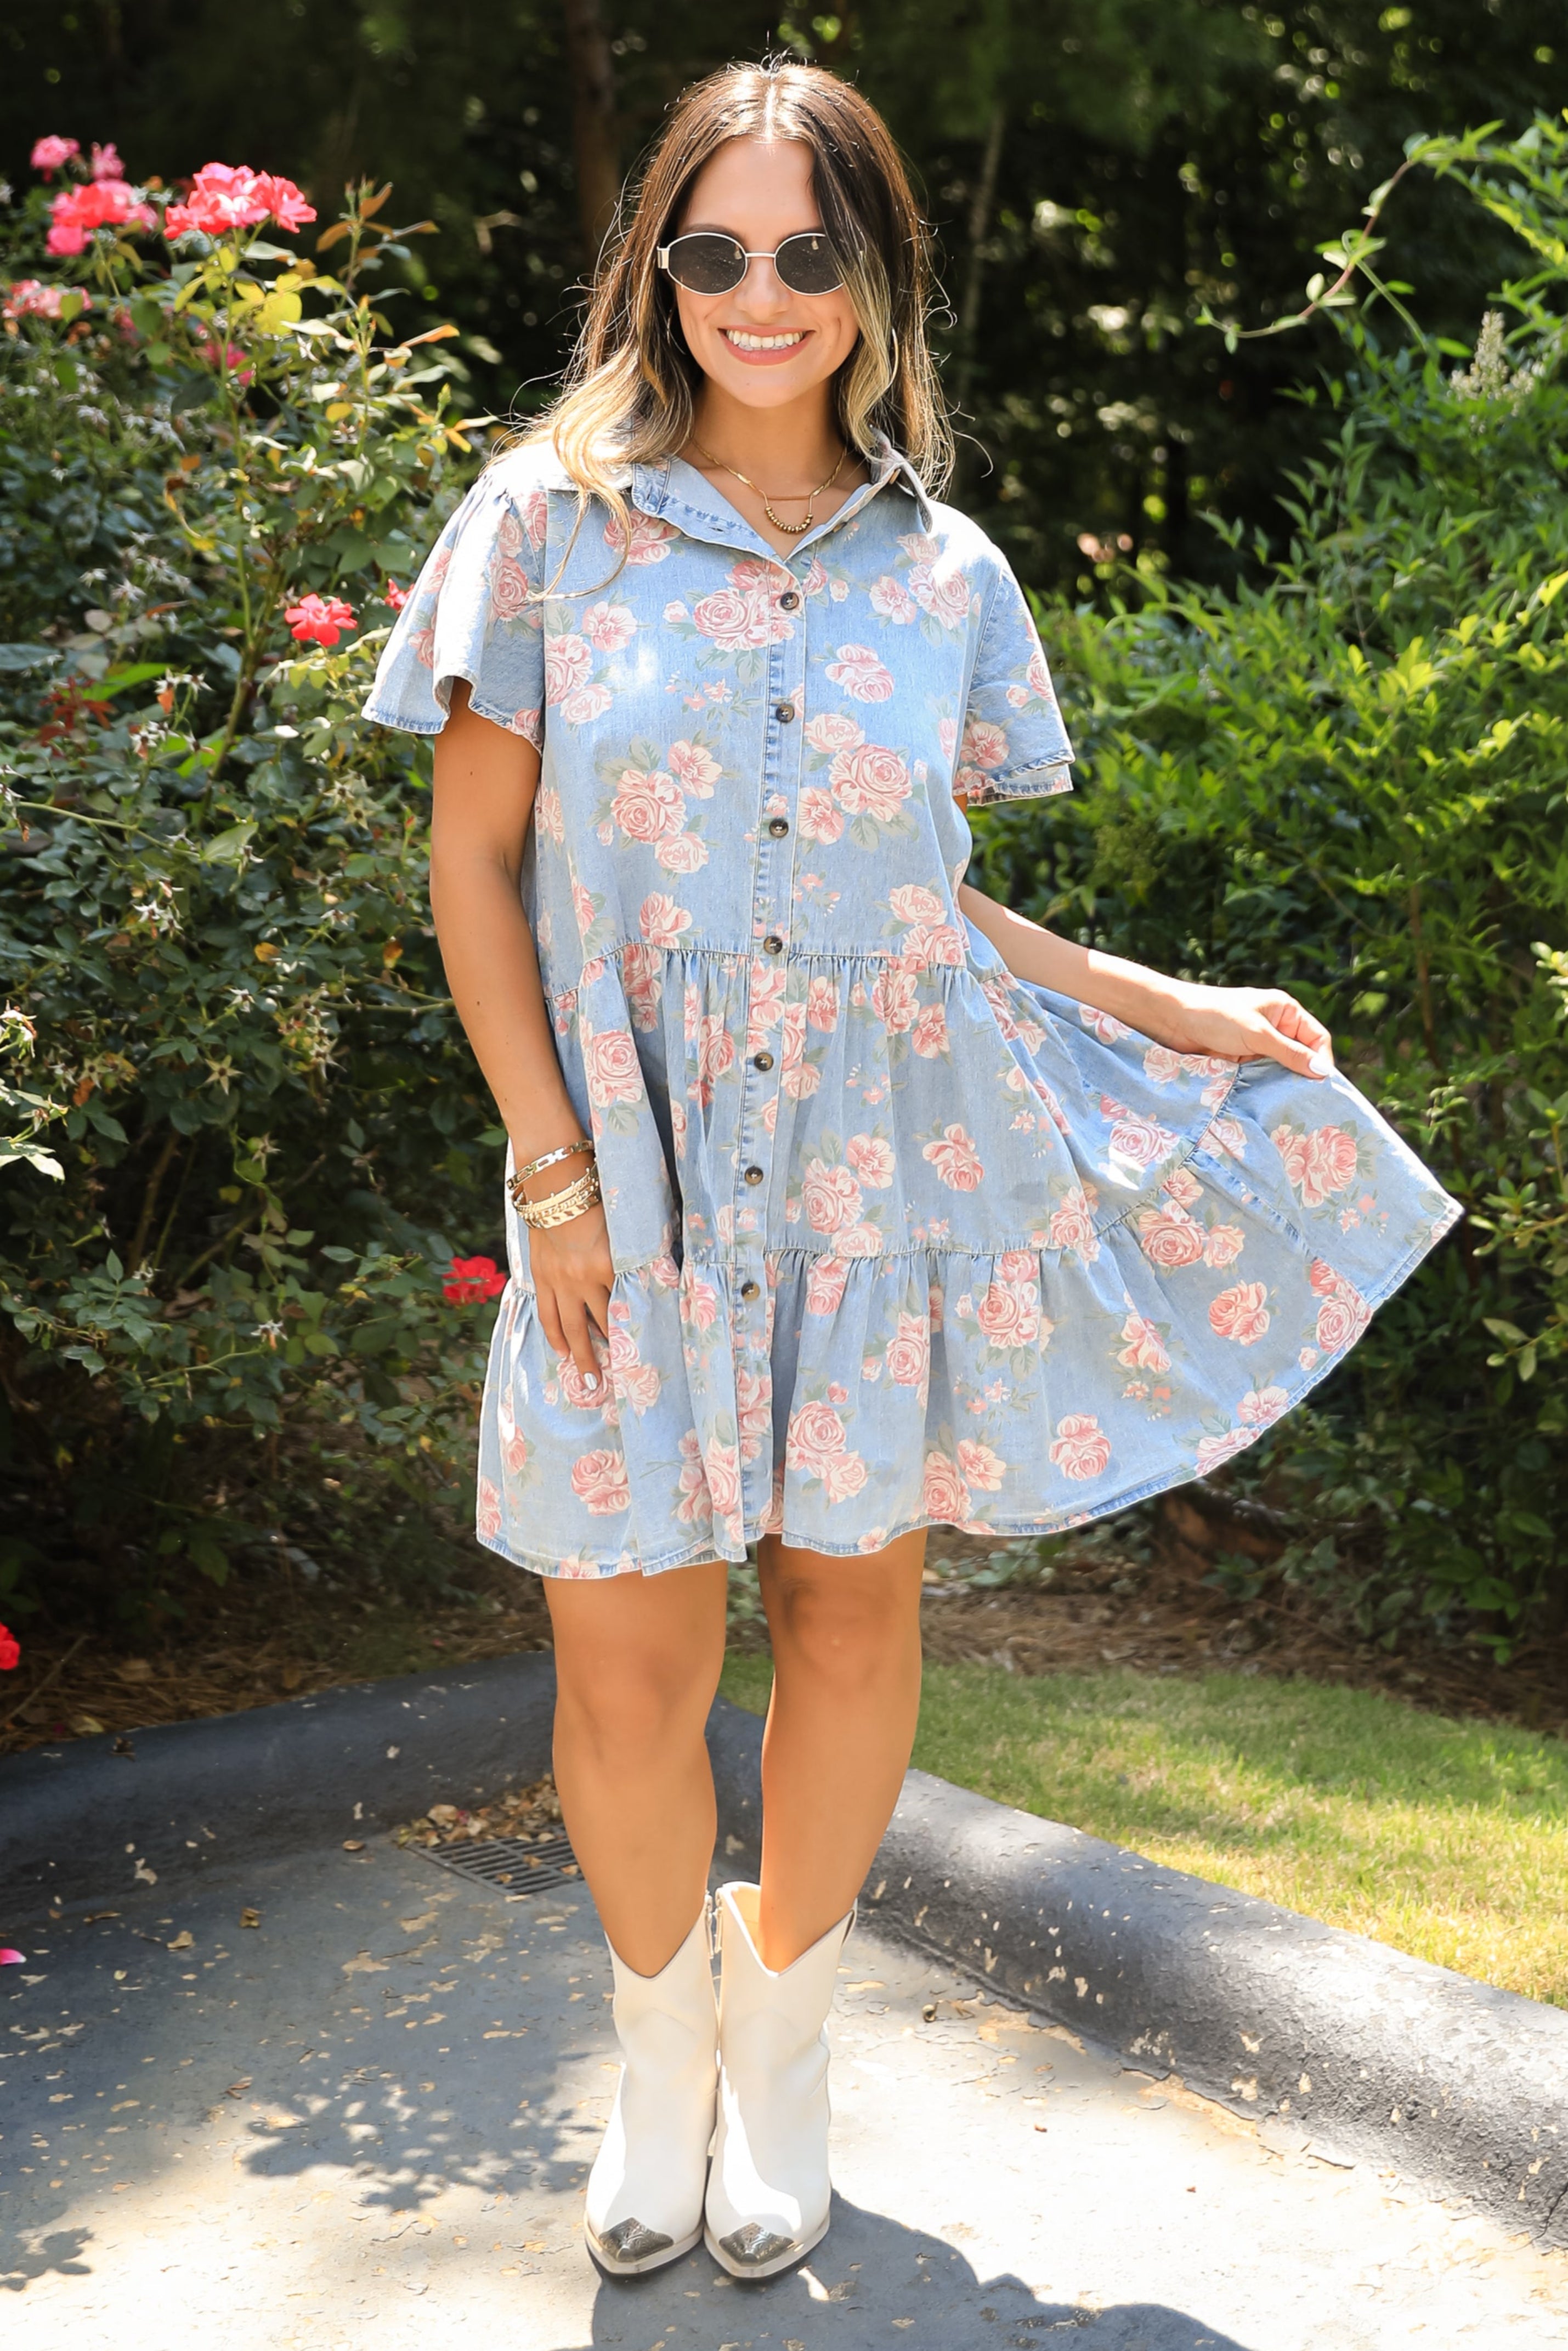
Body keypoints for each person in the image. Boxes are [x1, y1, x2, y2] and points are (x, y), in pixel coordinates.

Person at [364, 59, 1458, 2282]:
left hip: (871, 1177)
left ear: (874, 275)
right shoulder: (545, 523)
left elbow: (915, 889)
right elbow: (475, 868)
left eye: (808, 252)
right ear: (656, 271)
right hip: (629, 1183)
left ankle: (787, 2043)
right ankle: (658, 2039)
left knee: (854, 1604)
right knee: (623, 1660)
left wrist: (1165, 1005)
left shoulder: (943, 573)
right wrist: (553, 1172)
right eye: (715, 251)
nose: (761, 295)